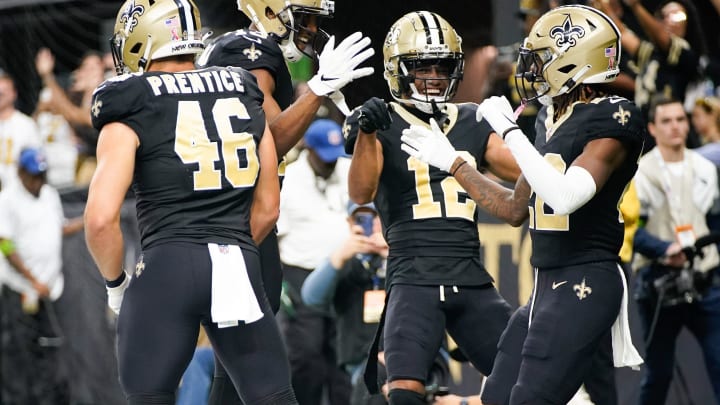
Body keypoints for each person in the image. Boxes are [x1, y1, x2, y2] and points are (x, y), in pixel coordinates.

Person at [400, 5, 645, 404]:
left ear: (573, 61)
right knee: (495, 397)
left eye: (542, 60)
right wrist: (454, 162)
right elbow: (515, 209)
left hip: (585, 280)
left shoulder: (614, 117)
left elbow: (565, 197)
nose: (531, 70)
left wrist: (511, 133)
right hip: (546, 286)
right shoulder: (551, 119)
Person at [83, 1, 296, 404]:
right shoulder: (241, 87)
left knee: (149, 395)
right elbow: (268, 206)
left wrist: (116, 285)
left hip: (167, 264)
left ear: (141, 40)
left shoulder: (129, 99)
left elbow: (99, 219)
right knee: (273, 397)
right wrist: (227, 243)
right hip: (237, 261)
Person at [197, 6, 374, 402]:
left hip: (228, 223)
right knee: (266, 375)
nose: (312, 30)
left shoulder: (234, 48)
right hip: (239, 226)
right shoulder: (252, 50)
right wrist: (319, 89)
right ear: (273, 9)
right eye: (305, 18)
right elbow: (267, 143)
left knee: (235, 371)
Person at [346, 11, 519, 405]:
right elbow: (361, 192)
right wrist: (367, 133)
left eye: (442, 66)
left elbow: (528, 175)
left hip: (469, 275)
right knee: (404, 394)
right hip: (413, 279)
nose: (434, 76)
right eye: (422, 66)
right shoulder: (382, 121)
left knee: (529, 384)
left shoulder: (472, 119)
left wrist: (515, 131)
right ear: (398, 70)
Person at [631, 95, 720, 405]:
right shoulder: (639, 173)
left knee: (718, 361)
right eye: (666, 121)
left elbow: (714, 220)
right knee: (659, 373)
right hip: (658, 281)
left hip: (704, 278)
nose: (676, 127)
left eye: (681, 119)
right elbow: (630, 230)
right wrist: (663, 248)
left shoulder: (706, 168)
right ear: (653, 128)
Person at [275, 118, 353, 405]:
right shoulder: (290, 179)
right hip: (302, 275)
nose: (331, 163)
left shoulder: (348, 169)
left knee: (344, 356)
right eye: (325, 157)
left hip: (346, 274)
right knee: (306, 356)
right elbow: (275, 235)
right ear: (309, 148)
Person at [0, 147, 83, 404]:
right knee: (20, 355)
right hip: (21, 292)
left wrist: (85, 220)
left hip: (50, 292)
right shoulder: (7, 199)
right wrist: (32, 279)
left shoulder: (49, 194)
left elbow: (60, 227)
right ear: (21, 172)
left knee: (51, 353)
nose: (39, 181)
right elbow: (5, 244)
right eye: (34, 175)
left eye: (42, 175)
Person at [300, 201, 388, 405]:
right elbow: (311, 297)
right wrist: (339, 257)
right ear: (351, 223)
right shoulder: (346, 262)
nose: (372, 225)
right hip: (356, 365)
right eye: (363, 219)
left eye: (378, 216)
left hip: (401, 360)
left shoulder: (401, 258)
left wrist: (392, 255)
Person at [0, 71, 42, 190]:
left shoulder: (25, 124)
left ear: (14, 94)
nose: (0, 94)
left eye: (4, 91)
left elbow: (36, 161)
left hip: (19, 190)